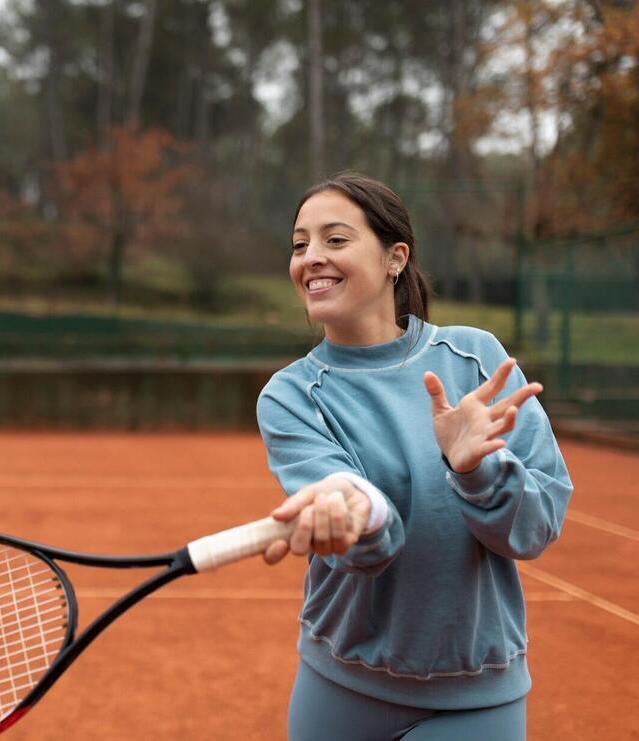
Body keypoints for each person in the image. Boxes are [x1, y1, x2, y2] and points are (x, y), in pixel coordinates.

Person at [257, 173, 572, 740]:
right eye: (299, 244)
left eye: (335, 239)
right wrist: (352, 509)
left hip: (476, 698)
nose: (311, 259)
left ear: (394, 257)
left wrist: (474, 471)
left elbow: (535, 527)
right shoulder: (289, 395)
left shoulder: (477, 358)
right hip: (339, 687)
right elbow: (363, 529)